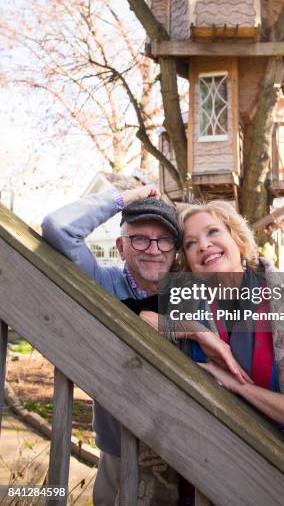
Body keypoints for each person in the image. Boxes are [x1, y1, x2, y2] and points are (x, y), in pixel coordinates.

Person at [41, 186, 248, 506]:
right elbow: (59, 228)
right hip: (121, 448)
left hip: (193, 449)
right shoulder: (100, 283)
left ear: (176, 250)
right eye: (139, 238)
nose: (153, 249)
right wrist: (126, 197)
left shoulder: (192, 290)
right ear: (121, 247)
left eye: (164, 239)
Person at [175, 200, 284, 493]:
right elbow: (133, 312)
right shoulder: (185, 306)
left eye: (213, 232)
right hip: (212, 478)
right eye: (190, 243)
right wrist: (193, 330)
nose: (204, 245)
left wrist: (240, 387)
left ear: (238, 240)